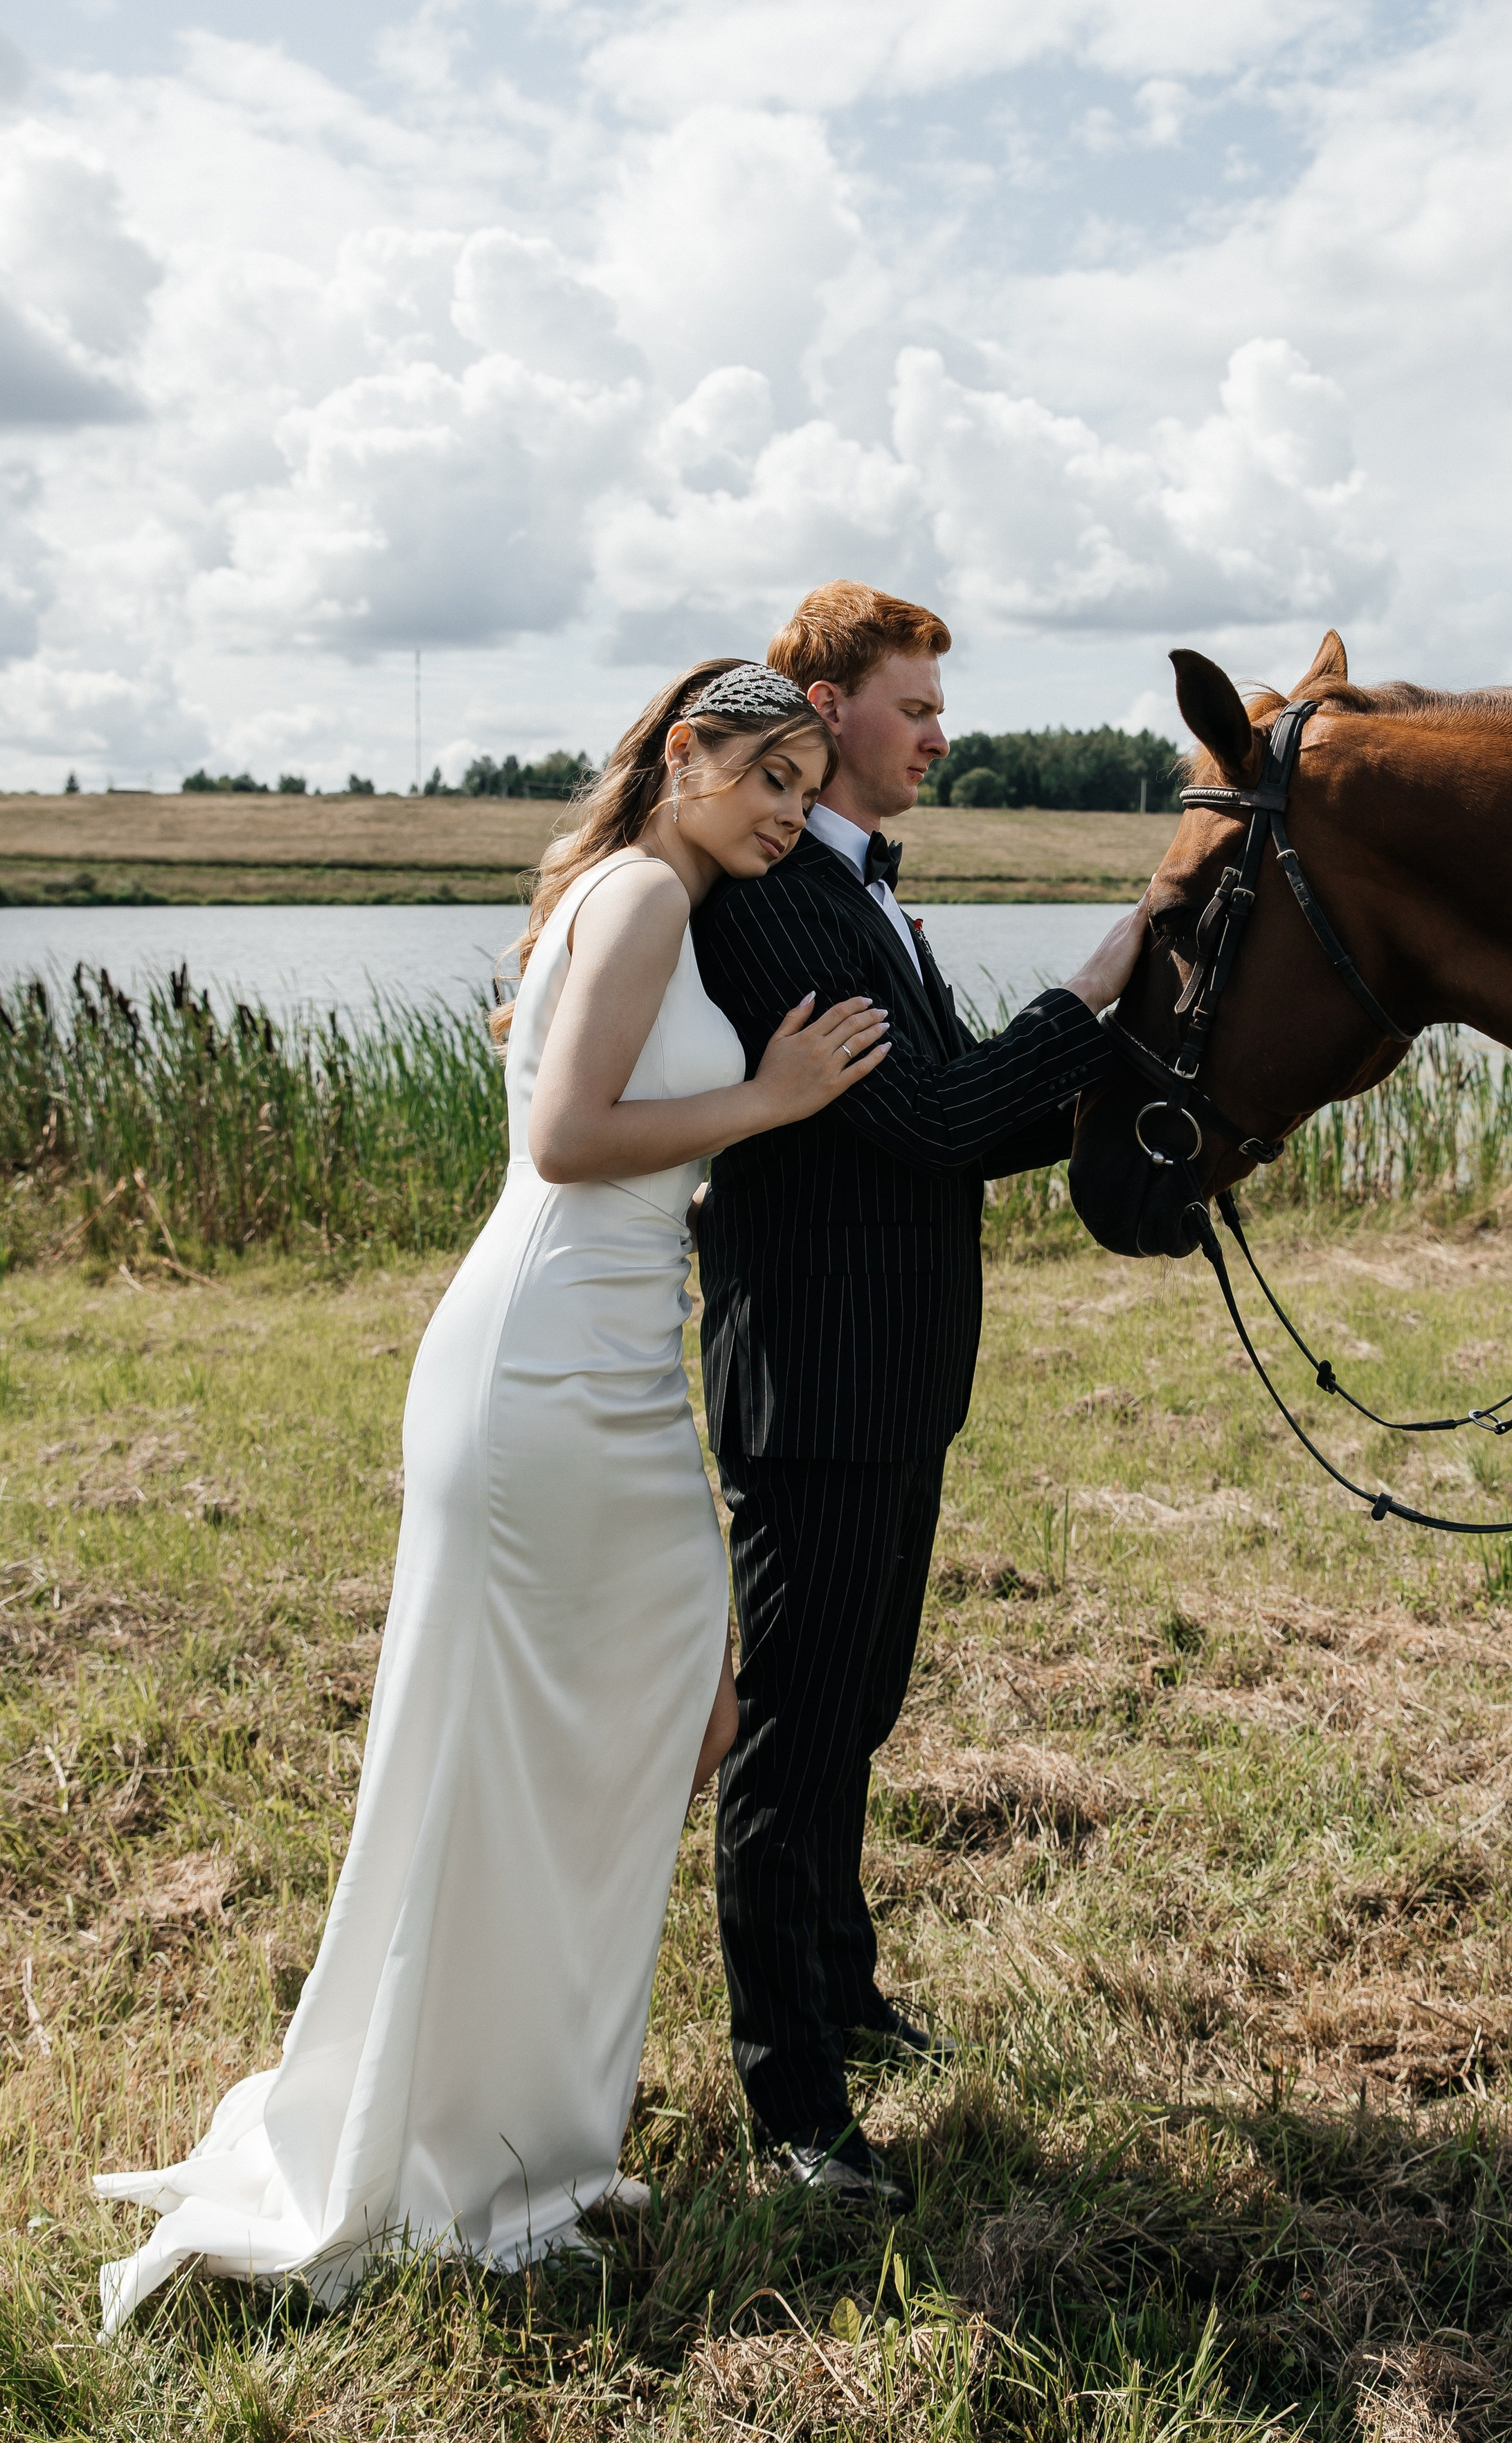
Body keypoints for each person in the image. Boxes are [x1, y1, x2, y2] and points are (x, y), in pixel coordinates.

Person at [92, 661, 888, 2332]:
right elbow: (565, 1133)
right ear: (687, 752)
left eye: (809, 782)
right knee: (588, 1716)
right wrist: (774, 1096)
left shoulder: (639, 889)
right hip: (541, 1361)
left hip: (594, 1352)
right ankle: (482, 2148)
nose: (784, 809)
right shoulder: (640, 898)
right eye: (764, 773)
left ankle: (529, 2126)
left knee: (639, 1705)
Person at [692, 582, 1149, 2203]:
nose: (940, 738)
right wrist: (1087, 998)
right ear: (822, 714)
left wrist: (1126, 1081)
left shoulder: (862, 891)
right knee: (793, 1741)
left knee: (857, 1716)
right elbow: (942, 1124)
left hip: (893, 1373)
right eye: (917, 708)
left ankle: (844, 1990)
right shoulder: (769, 905)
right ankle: (795, 2105)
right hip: (813, 1377)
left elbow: (951, 1112)